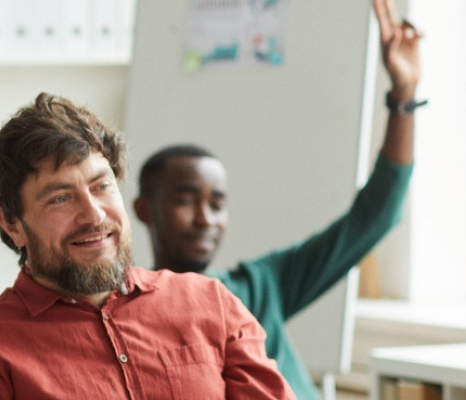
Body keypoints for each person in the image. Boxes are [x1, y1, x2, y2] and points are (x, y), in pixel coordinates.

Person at [131, 1, 420, 398]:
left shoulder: (258, 287)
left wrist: (403, 95)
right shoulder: (131, 314)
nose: (205, 219)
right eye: (186, 200)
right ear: (144, 210)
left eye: (217, 204)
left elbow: (375, 217)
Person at [0, 92, 295, 399]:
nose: (94, 215)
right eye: (60, 198)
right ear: (11, 223)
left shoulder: (213, 305)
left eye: (102, 186)